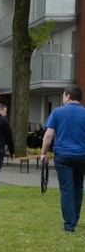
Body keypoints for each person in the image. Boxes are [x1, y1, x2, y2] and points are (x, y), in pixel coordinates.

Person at [41, 85, 85, 232]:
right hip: (81, 155)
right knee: (78, 186)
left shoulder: (58, 112)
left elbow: (48, 135)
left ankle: (69, 224)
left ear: (68, 96)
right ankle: (75, 217)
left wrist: (43, 153)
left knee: (66, 189)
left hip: (63, 155)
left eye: (63, 96)